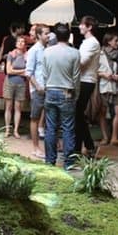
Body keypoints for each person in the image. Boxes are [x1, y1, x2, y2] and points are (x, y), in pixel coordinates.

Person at [40, 23, 81, 170]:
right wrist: (76, 94)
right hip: (67, 92)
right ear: (69, 36)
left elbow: (44, 74)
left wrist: (47, 87)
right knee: (68, 128)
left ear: (56, 36)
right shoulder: (75, 53)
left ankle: (50, 161)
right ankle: (68, 162)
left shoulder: (47, 52)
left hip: (50, 90)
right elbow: (76, 77)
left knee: (50, 128)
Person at [97, 31, 118, 146]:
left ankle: (114, 138)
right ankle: (105, 137)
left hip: (116, 85)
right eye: (116, 40)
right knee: (102, 112)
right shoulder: (100, 53)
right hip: (104, 85)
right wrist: (104, 74)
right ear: (109, 41)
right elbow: (94, 70)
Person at [75, 15, 100, 156]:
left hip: (86, 81)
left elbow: (81, 63)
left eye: (82, 24)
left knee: (77, 113)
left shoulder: (92, 43)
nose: (80, 26)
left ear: (89, 27)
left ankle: (81, 147)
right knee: (77, 114)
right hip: (82, 80)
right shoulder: (86, 42)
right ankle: (85, 146)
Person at [25, 24, 50, 158]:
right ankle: (35, 147)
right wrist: (38, 87)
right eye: (46, 33)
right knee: (35, 118)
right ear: (39, 35)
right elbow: (29, 73)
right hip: (38, 90)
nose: (48, 36)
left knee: (49, 118)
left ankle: (50, 146)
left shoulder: (48, 49)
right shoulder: (34, 50)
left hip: (48, 88)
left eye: (49, 33)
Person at [3, 36, 28, 138]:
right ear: (16, 43)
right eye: (19, 41)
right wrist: (22, 71)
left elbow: (28, 72)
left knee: (18, 108)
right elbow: (8, 71)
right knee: (8, 106)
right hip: (10, 82)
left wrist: (16, 71)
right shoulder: (11, 54)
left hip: (21, 83)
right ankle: (7, 129)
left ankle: (16, 130)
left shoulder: (26, 56)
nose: (21, 43)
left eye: (23, 41)